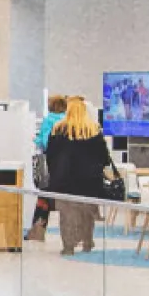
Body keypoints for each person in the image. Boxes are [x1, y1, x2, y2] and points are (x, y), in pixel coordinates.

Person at [42, 96, 115, 256]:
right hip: (89, 181)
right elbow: (104, 157)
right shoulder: (93, 130)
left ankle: (68, 246)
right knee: (87, 213)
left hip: (64, 180)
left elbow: (50, 155)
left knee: (66, 214)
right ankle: (87, 242)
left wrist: (55, 173)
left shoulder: (57, 129)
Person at [25, 96, 67, 243]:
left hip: (50, 164)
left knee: (44, 197)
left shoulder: (49, 120)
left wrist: (36, 141)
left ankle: (38, 230)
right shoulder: (69, 120)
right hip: (66, 167)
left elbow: (44, 142)